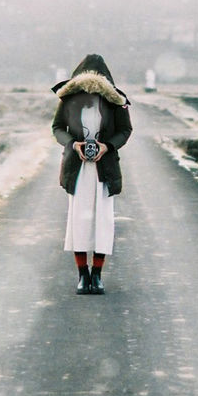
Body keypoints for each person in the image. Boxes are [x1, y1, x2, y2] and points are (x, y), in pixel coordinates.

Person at [51, 54, 132, 295]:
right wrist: (73, 145)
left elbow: (125, 130)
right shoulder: (69, 100)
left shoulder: (115, 102)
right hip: (77, 170)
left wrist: (107, 146)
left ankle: (97, 275)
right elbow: (57, 129)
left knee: (103, 222)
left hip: (103, 170)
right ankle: (82, 275)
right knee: (79, 221)